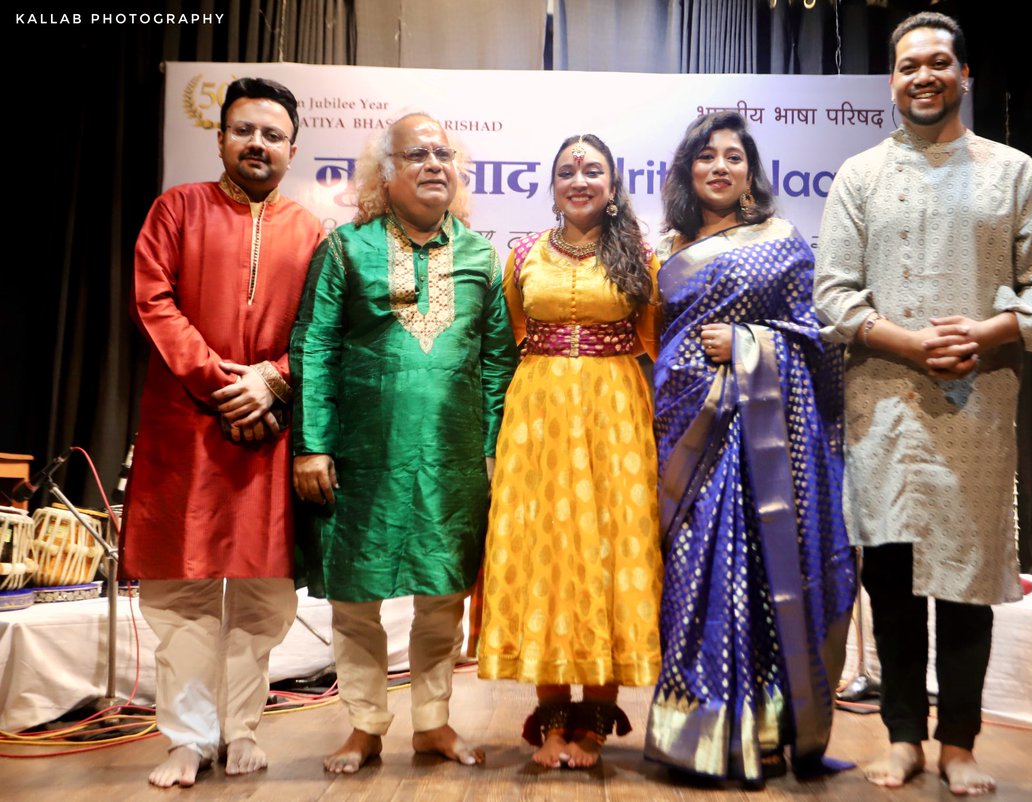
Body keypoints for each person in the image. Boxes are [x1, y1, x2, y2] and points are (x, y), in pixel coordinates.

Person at [814, 12, 1032, 796]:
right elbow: (833, 293)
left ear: (964, 76)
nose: (921, 76)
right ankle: (902, 738)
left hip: (976, 407)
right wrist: (908, 344)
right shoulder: (858, 176)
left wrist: (992, 329)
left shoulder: (1014, 173)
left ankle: (959, 742)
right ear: (891, 81)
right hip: (884, 406)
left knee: (966, 584)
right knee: (890, 582)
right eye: (906, 66)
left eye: (936, 63)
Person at [291, 113, 519, 773]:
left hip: (452, 462)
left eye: (443, 154)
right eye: (416, 154)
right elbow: (314, 346)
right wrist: (312, 445)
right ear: (383, 173)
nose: (433, 165)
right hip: (361, 457)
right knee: (357, 600)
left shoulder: (480, 254)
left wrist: (494, 451)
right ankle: (364, 725)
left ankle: (431, 724)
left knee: (442, 596)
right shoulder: (345, 248)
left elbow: (498, 364)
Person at [121, 77, 325, 787]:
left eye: (272, 135)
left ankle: (239, 729)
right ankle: (185, 736)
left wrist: (271, 379)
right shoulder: (175, 210)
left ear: (293, 149)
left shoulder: (312, 231)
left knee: (264, 595)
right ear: (221, 138)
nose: (258, 144)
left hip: (270, 432)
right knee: (181, 594)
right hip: (188, 427)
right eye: (245, 130)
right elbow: (154, 301)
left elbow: (321, 330)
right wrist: (222, 383)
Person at [644, 111, 856, 786]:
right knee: (693, 576)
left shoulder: (783, 240)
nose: (718, 167)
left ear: (749, 172)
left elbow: (816, 340)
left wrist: (745, 345)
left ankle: (768, 731)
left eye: (732, 157)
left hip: (766, 442)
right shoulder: (667, 252)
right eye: (705, 157)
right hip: (691, 435)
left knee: (767, 578)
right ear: (688, 171)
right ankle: (696, 731)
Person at [476, 134, 662, 769]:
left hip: (617, 415)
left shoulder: (643, 255)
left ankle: (597, 717)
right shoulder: (523, 253)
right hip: (539, 416)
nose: (579, 180)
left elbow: (661, 341)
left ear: (613, 186)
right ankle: (552, 714)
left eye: (592, 171)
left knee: (611, 549)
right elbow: (507, 344)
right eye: (566, 172)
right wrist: (493, 437)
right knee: (545, 554)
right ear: (551, 186)